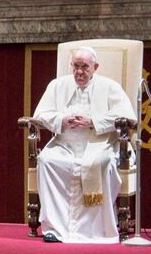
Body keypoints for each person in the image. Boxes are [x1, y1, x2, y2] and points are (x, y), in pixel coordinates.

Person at [32, 47, 136, 243]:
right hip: (65, 144)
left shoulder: (110, 87)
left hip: (101, 144)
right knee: (47, 160)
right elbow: (40, 115)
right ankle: (54, 229)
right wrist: (61, 120)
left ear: (95, 67)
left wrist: (93, 121)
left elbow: (127, 117)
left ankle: (96, 230)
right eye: (75, 66)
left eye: (84, 67)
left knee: (103, 162)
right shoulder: (57, 86)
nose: (79, 72)